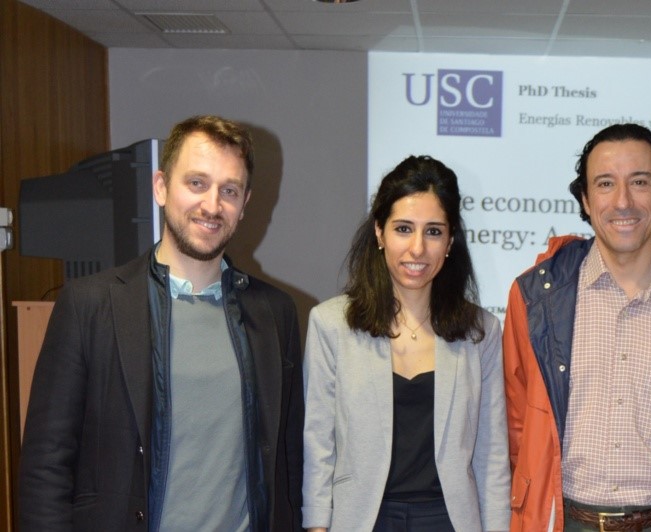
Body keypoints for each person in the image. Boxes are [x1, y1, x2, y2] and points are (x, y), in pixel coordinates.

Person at [19, 115, 304, 531]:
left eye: (229, 190)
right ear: (161, 187)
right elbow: (46, 465)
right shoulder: (89, 305)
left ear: (244, 204)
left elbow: (289, 462)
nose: (212, 205)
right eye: (197, 183)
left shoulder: (275, 313)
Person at [503, 124, 651, 531]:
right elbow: (517, 426)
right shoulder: (534, 297)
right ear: (585, 199)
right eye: (605, 183)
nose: (622, 201)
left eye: (640, 182)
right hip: (565, 522)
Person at [302, 155, 511, 532]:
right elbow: (319, 443)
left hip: (449, 521)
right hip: (362, 519)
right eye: (403, 229)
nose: (417, 248)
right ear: (379, 232)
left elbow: (492, 453)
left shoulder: (481, 331)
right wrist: (317, 525)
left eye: (433, 232)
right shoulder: (331, 324)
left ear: (450, 241)